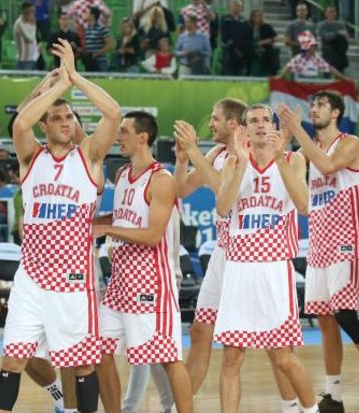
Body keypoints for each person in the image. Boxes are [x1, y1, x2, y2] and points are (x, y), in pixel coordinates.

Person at [0, 39, 120, 413]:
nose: (66, 123)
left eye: (70, 118)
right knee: (12, 360)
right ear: (46, 125)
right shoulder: (31, 157)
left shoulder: (89, 156)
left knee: (82, 364)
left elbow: (112, 114)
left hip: (73, 281)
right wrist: (57, 86)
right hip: (32, 277)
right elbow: (21, 122)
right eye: (58, 118)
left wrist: (74, 77)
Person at [174, 100, 303, 413]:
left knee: (275, 349)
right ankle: (180, 408)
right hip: (225, 254)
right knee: (201, 330)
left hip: (257, 256)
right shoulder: (217, 155)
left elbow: (224, 195)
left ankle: (291, 405)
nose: (210, 126)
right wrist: (181, 161)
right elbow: (181, 190)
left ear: (234, 125)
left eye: (215, 120)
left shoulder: (253, 155)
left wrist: (193, 152)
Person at [280, 92, 359, 412]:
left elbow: (329, 165)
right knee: (325, 321)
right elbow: (304, 204)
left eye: (320, 105)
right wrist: (282, 150)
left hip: (346, 243)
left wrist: (298, 133)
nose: (314, 109)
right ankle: (333, 394)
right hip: (319, 245)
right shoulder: (311, 151)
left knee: (346, 316)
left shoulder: (350, 143)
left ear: (335, 112)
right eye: (313, 105)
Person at [213, 104, 319, 413]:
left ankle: (311, 410)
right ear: (243, 128)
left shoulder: (293, 159)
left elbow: (302, 205)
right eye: (254, 121)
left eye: (266, 120)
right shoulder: (234, 162)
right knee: (232, 356)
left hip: (274, 267)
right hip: (238, 268)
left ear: (274, 125)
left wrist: (279, 158)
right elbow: (223, 207)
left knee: (283, 355)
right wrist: (243, 163)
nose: (261, 125)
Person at [93, 111, 192, 413]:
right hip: (121, 283)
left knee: (168, 360)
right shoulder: (123, 175)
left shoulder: (161, 180)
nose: (118, 136)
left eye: (124, 131)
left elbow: (152, 235)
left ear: (143, 137)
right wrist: (91, 222)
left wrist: (107, 229)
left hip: (151, 286)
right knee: (99, 350)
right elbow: (123, 217)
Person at [278, 31, 349, 81]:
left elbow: (330, 68)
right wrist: (280, 77)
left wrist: (343, 78)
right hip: (299, 86)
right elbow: (288, 67)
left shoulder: (316, 58)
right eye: (312, 46)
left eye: (314, 45)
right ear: (306, 47)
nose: (315, 47)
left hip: (312, 85)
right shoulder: (298, 58)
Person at [220, 0, 252, 76]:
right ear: (230, 6)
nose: (236, 7)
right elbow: (225, 36)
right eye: (234, 5)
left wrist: (242, 50)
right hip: (229, 52)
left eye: (238, 6)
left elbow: (247, 36)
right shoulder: (225, 19)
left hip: (242, 54)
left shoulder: (244, 20)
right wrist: (234, 48)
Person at [317, 6, 349, 74]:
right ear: (325, 13)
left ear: (336, 13)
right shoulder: (321, 25)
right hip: (328, 50)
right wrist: (338, 33)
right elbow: (326, 37)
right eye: (329, 12)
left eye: (333, 12)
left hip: (339, 51)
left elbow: (345, 37)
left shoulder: (340, 25)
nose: (331, 14)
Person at [81, 6, 113, 72]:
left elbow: (109, 45)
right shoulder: (86, 29)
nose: (85, 14)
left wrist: (96, 54)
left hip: (100, 61)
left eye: (87, 13)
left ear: (92, 15)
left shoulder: (101, 28)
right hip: (89, 61)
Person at [250, 9, 279, 76]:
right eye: (255, 15)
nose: (257, 17)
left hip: (266, 54)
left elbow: (275, 38)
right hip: (253, 54)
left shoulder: (267, 26)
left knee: (266, 74)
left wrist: (264, 42)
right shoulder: (249, 27)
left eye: (259, 15)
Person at [14, 1, 39, 70]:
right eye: (31, 11)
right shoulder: (19, 23)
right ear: (25, 11)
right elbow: (29, 38)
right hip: (24, 60)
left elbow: (34, 39)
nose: (33, 13)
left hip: (33, 59)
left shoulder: (29, 22)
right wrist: (34, 25)